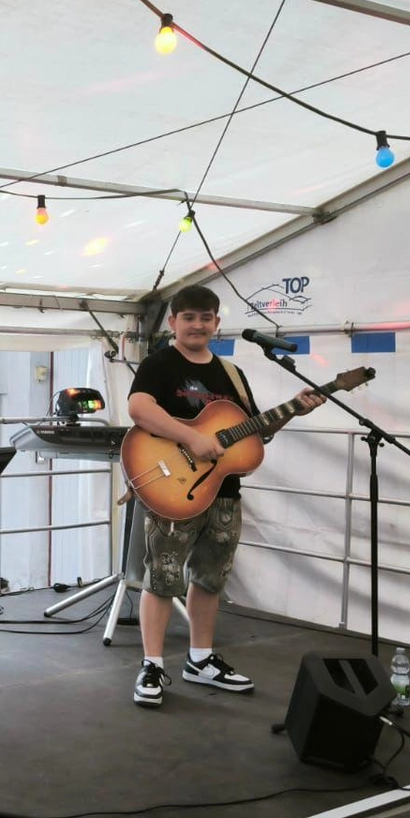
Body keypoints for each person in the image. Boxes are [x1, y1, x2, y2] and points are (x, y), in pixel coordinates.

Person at [126, 285, 323, 708]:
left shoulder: (231, 373)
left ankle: (200, 659)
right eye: (189, 317)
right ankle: (152, 664)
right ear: (173, 322)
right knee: (163, 577)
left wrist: (292, 409)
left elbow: (255, 432)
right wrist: (191, 438)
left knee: (211, 577)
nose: (197, 325)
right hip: (174, 487)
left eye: (206, 318)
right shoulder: (159, 364)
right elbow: (140, 408)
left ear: (217, 323)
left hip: (224, 491)